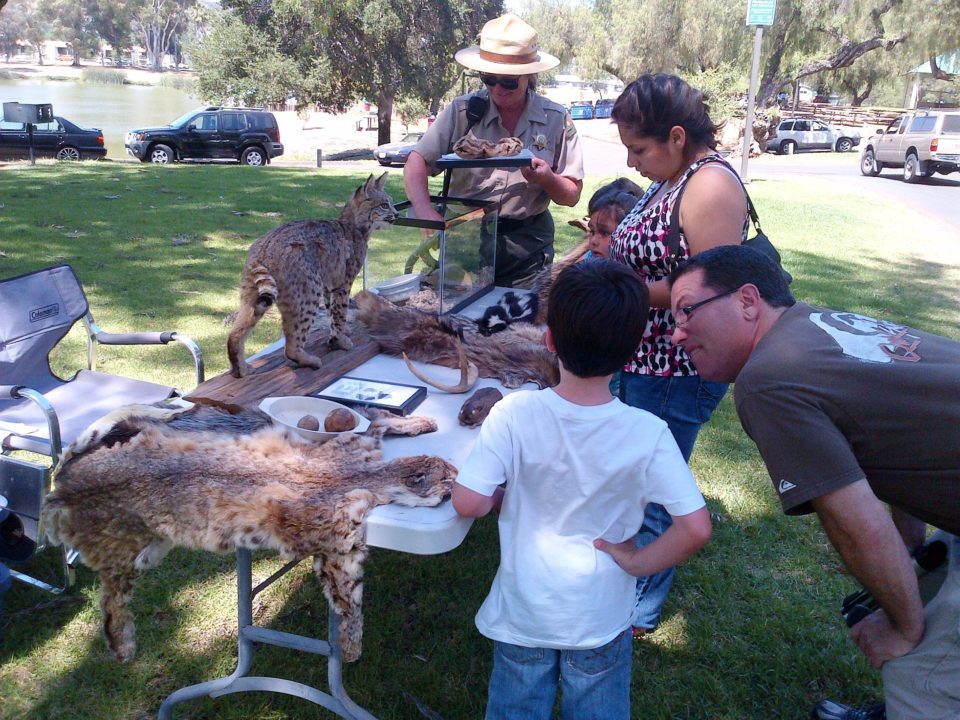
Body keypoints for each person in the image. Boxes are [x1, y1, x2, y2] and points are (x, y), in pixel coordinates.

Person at [668, 244, 960, 720]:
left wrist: (904, 629)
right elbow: (904, 427)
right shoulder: (815, 324)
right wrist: (910, 544)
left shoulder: (769, 379)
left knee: (921, 678)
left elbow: (855, 522)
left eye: (686, 311)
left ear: (747, 300)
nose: (676, 333)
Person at [452, 258, 712, 720]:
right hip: (601, 616)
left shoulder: (513, 412)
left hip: (524, 611)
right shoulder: (649, 432)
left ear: (549, 339)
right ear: (634, 348)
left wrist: (504, 498)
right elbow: (695, 528)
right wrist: (636, 563)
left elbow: (468, 502)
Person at [606, 73, 749, 638]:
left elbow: (706, 287)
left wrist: (622, 296)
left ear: (675, 136)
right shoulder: (674, 176)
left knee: (657, 488)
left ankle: (637, 611)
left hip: (675, 365)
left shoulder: (709, 185)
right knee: (636, 478)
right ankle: (628, 587)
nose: (632, 161)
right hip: (646, 358)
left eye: (639, 149)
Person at [404, 13, 584, 288]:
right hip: (466, 240)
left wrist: (547, 179)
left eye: (508, 81)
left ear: (528, 75)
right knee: (459, 312)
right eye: (489, 79)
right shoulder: (462, 112)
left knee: (521, 313)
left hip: (527, 249)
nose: (497, 88)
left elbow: (571, 195)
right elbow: (416, 162)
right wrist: (424, 209)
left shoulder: (556, 119)